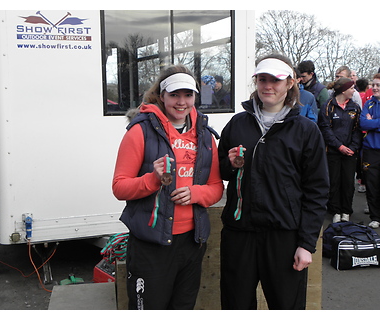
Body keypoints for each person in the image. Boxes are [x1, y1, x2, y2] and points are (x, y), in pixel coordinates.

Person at [219, 53, 329, 310]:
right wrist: (230, 164)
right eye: (262, 79)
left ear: (290, 83)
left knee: (286, 306)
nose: (268, 86)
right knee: (236, 305)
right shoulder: (237, 123)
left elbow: (317, 190)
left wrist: (306, 244)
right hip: (239, 232)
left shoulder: (305, 130)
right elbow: (220, 171)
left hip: (284, 236)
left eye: (275, 80)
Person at [112, 64, 224, 309]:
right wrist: (153, 178)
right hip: (151, 243)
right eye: (174, 95)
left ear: (195, 96)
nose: (181, 102)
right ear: (161, 96)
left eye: (188, 95)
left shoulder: (204, 136)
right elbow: (120, 187)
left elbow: (216, 187)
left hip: (191, 243)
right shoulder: (140, 132)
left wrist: (197, 193)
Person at [318, 77, 362, 223]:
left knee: (348, 183)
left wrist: (353, 148)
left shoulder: (355, 107)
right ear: (343, 90)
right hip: (333, 152)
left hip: (350, 152)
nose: (353, 90)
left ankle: (346, 210)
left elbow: (357, 130)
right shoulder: (328, 106)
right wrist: (340, 146)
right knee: (334, 181)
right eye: (351, 88)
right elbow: (326, 130)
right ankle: (335, 210)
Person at [360, 73, 380, 228]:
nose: (374, 88)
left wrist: (373, 121)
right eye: (373, 85)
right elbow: (363, 124)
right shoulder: (369, 103)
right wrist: (371, 123)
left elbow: (369, 123)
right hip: (370, 150)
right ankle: (375, 217)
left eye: (378, 85)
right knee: (371, 184)